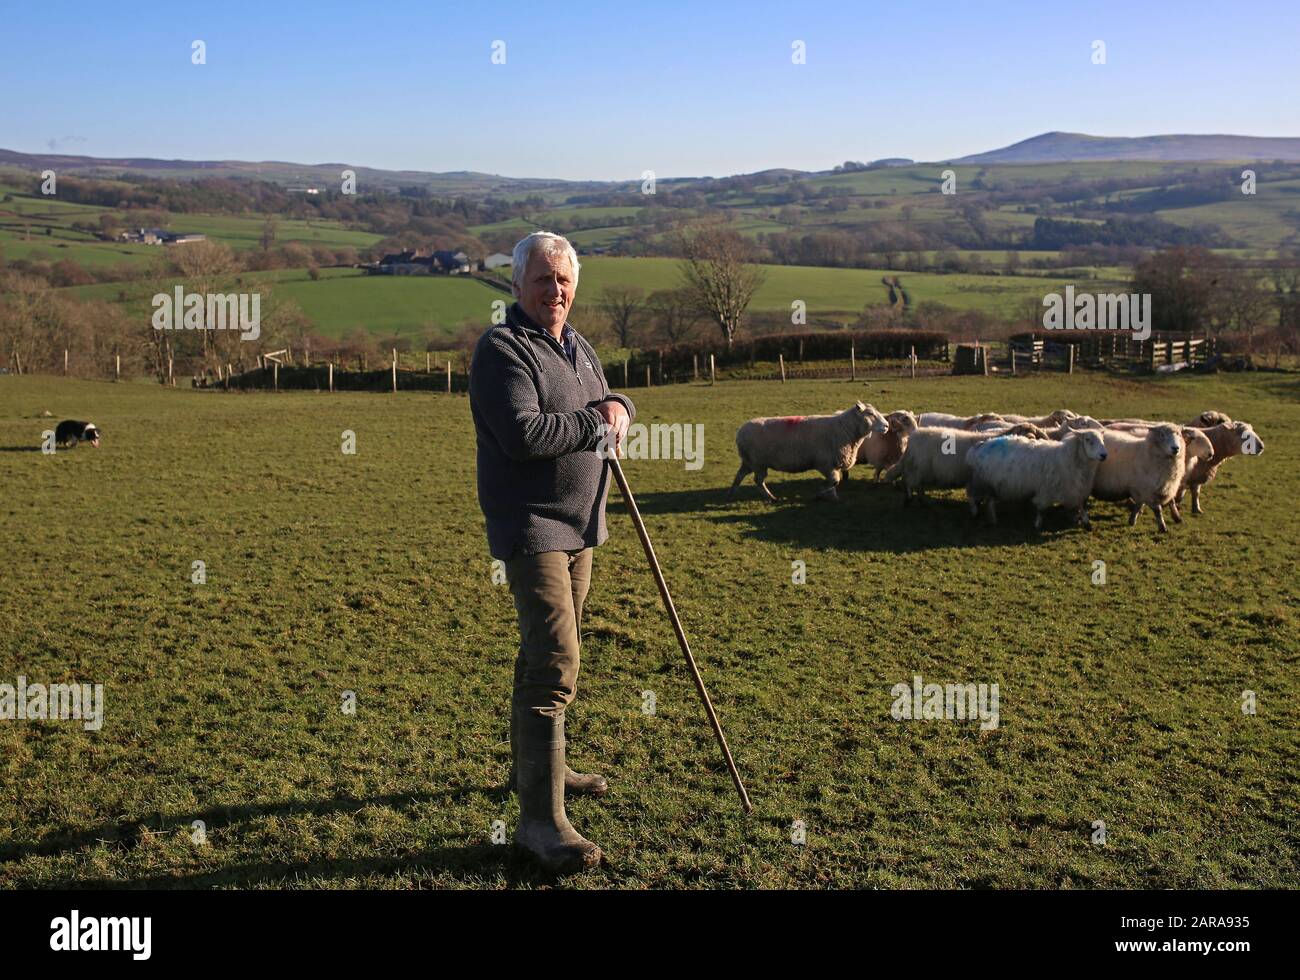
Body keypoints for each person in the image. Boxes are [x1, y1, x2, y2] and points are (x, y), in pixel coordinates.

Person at [469, 231, 634, 873]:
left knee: (549, 654)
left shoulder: (577, 345)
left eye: (564, 281)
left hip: (581, 525)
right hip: (533, 526)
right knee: (555, 663)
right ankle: (541, 824)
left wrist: (620, 404)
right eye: (543, 280)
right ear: (516, 287)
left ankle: (544, 772)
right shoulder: (501, 349)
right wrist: (600, 423)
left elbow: (605, 400)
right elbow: (524, 434)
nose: (555, 291)